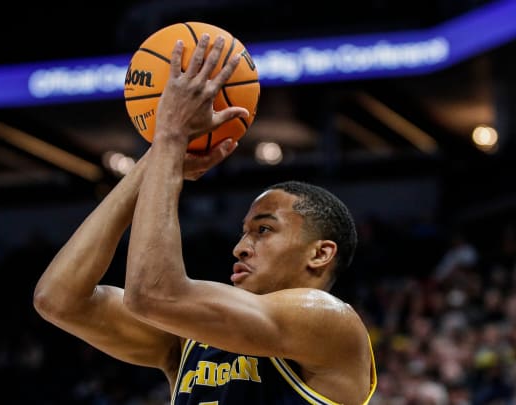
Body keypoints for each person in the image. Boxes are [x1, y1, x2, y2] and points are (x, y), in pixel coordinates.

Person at [33, 33, 377, 404]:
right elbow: (59, 299)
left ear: (320, 253)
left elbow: (152, 294)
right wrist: (153, 162)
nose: (241, 248)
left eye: (263, 230)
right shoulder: (190, 339)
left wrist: (171, 136)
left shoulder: (330, 322)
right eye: (244, 233)